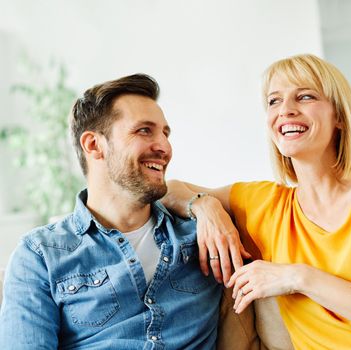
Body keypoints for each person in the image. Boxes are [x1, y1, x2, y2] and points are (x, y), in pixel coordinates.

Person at [162, 54, 351, 349]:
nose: (286, 111)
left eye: (304, 97)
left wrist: (299, 277)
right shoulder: (265, 203)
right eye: (274, 101)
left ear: (339, 116)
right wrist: (207, 207)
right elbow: (167, 189)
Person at [0, 74, 222, 349]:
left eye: (165, 133)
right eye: (144, 130)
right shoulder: (41, 255)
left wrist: (207, 204)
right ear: (94, 145)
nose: (164, 147)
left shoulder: (203, 237)